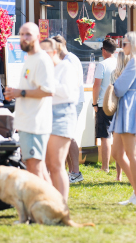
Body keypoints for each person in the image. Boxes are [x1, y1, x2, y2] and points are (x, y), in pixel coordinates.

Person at [3, 23, 55, 182]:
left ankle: (42, 204)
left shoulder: (42, 60)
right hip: (27, 123)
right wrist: (15, 94)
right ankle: (51, 204)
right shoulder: (30, 59)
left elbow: (48, 90)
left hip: (36, 124)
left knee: (35, 168)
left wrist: (20, 93)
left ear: (38, 37)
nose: (24, 38)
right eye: (21, 34)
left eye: (28, 34)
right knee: (36, 167)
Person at [111, 32, 136, 206]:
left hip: (129, 107)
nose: (121, 46)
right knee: (118, 153)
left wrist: (113, 87)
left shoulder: (135, 61)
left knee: (131, 154)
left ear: (133, 45)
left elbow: (120, 87)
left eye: (124, 43)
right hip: (128, 106)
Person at [39, 38, 76, 204]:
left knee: (57, 164)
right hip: (46, 113)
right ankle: (52, 200)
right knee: (47, 163)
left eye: (44, 52)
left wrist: (47, 84)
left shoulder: (65, 67)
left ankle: (61, 204)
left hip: (62, 114)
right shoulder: (44, 69)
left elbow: (68, 92)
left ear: (54, 52)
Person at [51, 36, 85, 185]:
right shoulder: (68, 59)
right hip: (69, 100)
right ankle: (71, 172)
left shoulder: (69, 60)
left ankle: (76, 172)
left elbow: (73, 82)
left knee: (68, 135)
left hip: (72, 101)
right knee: (66, 135)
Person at [93, 39, 118, 173]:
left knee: (105, 136)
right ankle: (119, 166)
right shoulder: (119, 63)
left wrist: (94, 103)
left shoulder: (102, 64)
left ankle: (105, 167)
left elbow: (97, 85)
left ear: (104, 50)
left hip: (104, 102)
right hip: (117, 102)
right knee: (117, 135)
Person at [108, 52, 129, 182]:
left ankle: (118, 175)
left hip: (118, 109)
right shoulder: (131, 74)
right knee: (129, 146)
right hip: (129, 109)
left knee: (117, 146)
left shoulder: (114, 73)